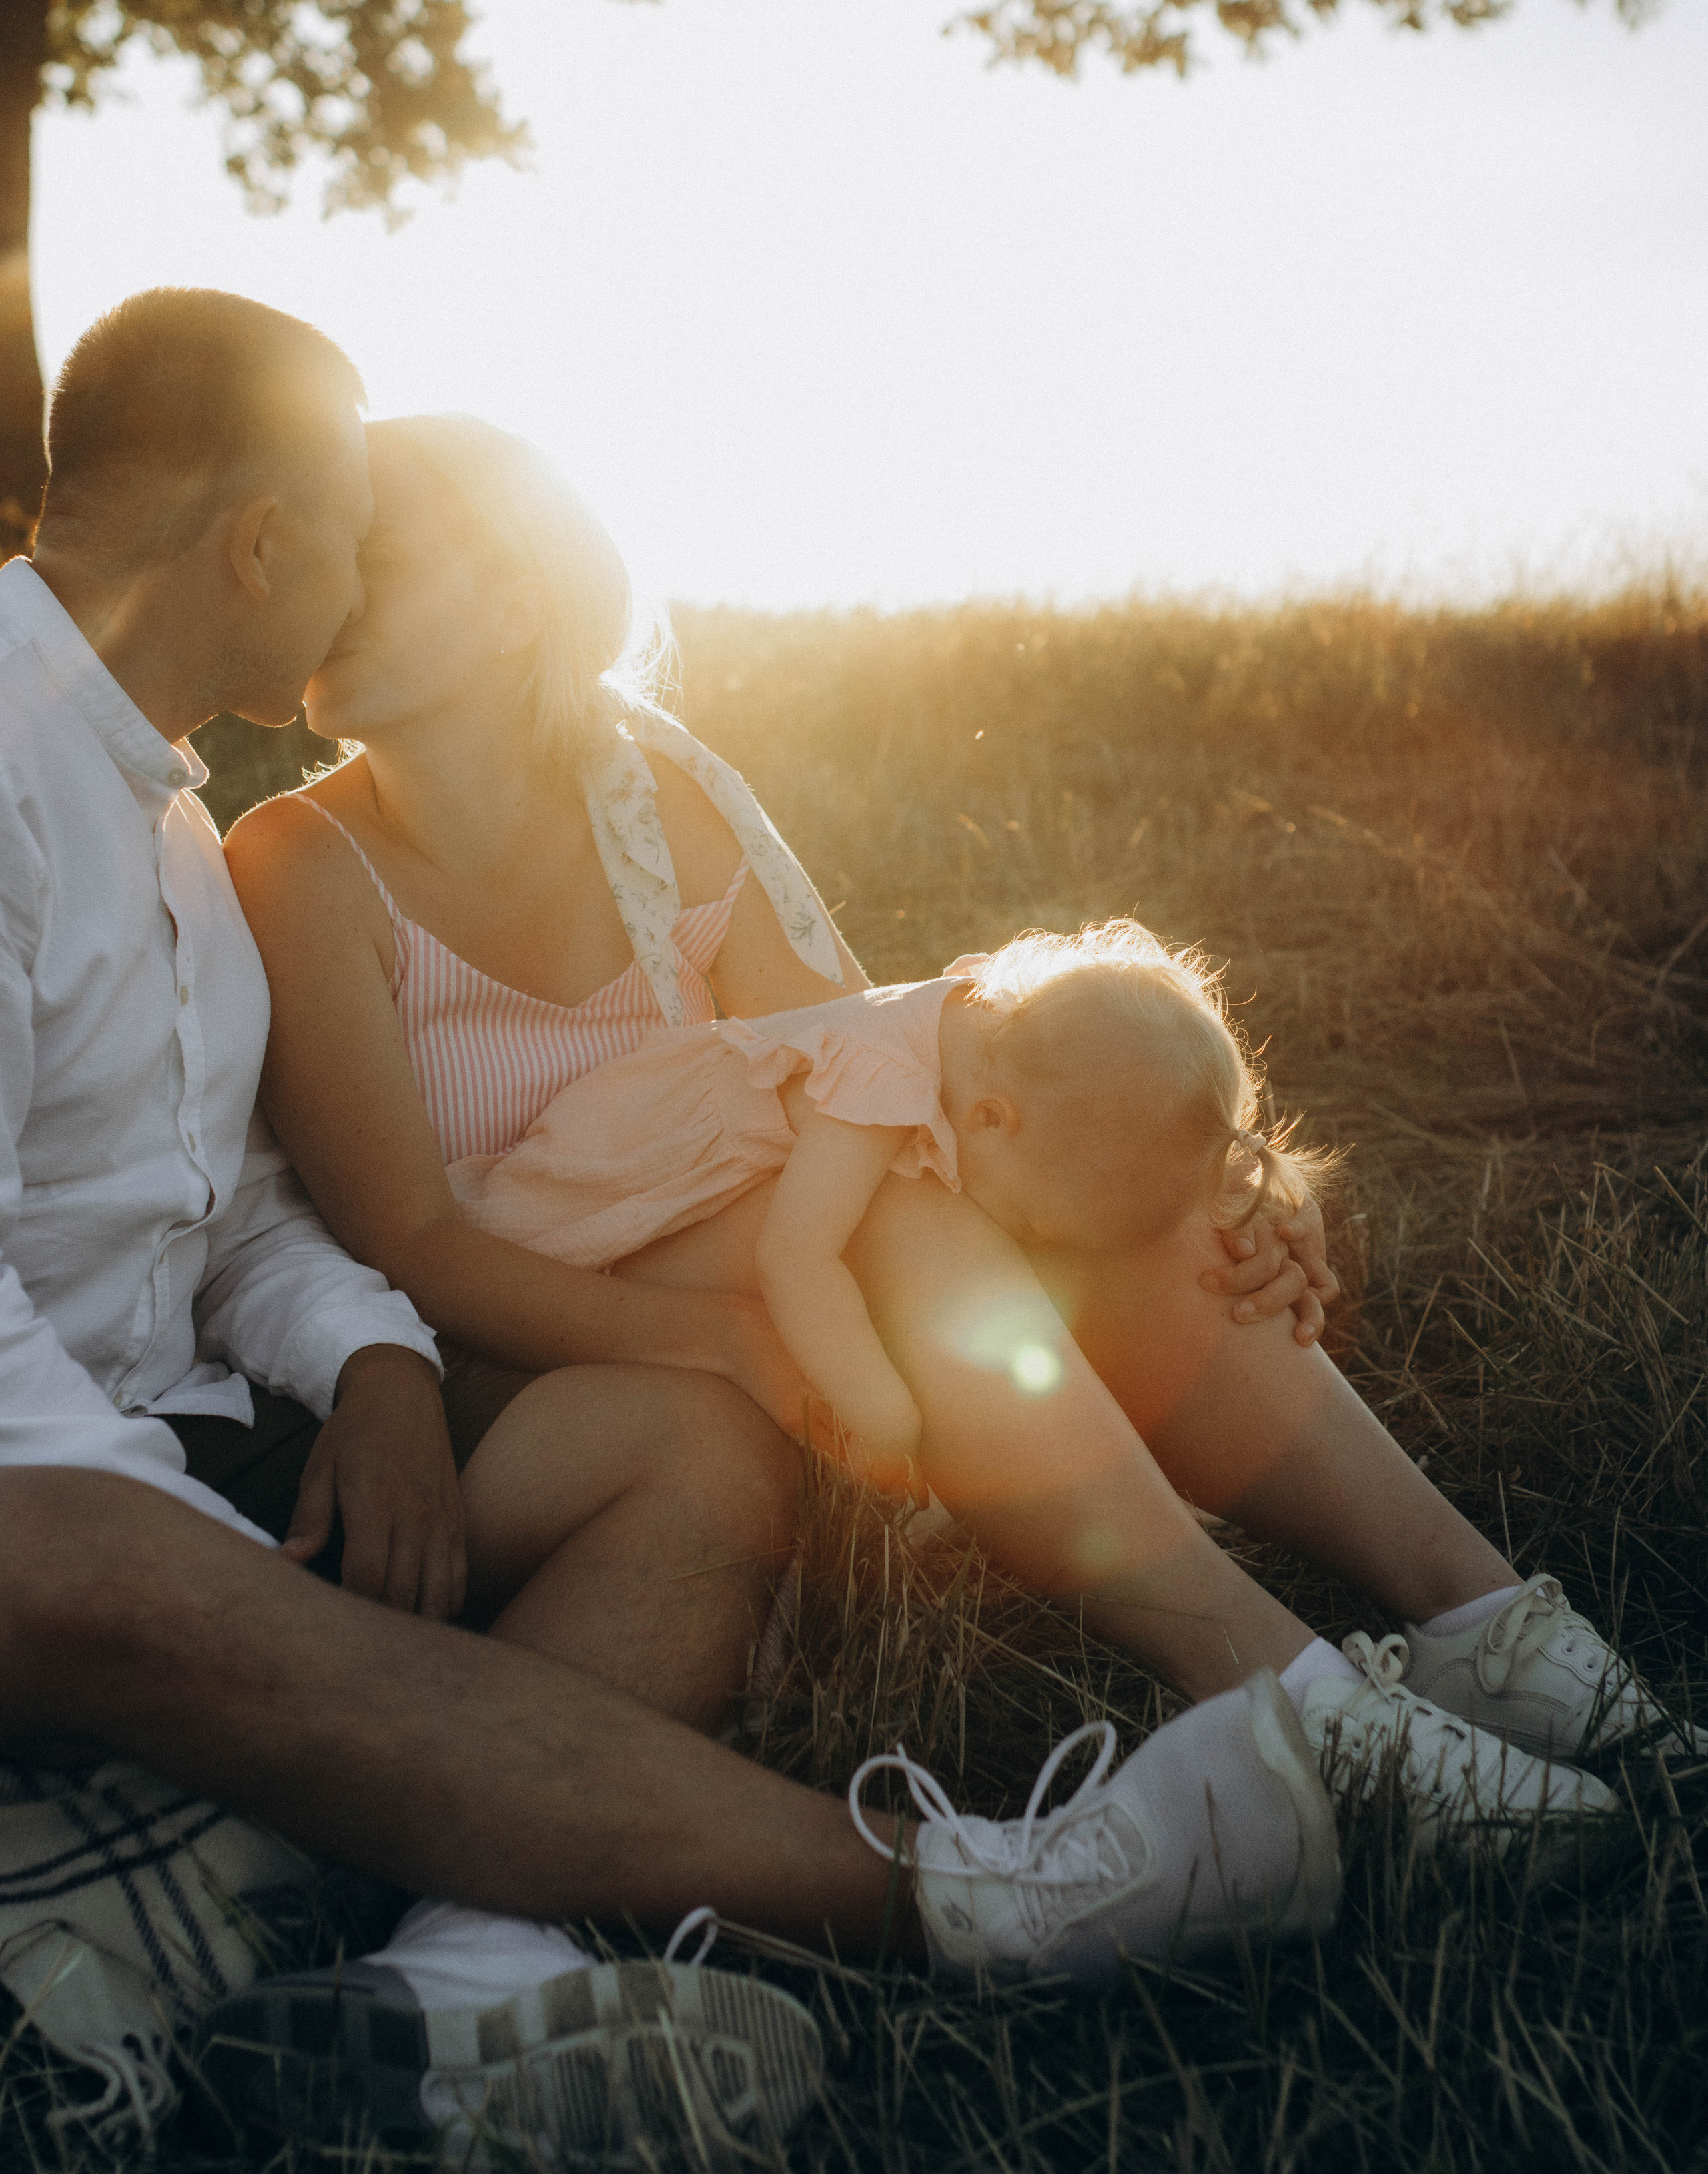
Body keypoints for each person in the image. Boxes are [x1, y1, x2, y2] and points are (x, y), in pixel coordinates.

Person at [0, 289, 1347, 2170]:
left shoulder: (169, 835)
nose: (350, 600)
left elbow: (235, 1222)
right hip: (59, 1485)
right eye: (352, 545)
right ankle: (996, 1895)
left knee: (696, 1450)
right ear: (264, 542)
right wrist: (187, 1530)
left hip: (208, 1428)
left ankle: (462, 1961)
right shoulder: (56, 789)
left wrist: (372, 1359)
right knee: (94, 1557)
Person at [224, 410, 1674, 1855]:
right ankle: (1279, 1693)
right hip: (516, 1357)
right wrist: (723, 1342)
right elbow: (409, 1241)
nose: (321, 583)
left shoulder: (649, 790)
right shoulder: (299, 865)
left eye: (377, 550)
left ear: (510, 591)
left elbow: (851, 1062)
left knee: (1115, 1197)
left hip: (773, 1283)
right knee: (904, 1218)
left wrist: (1208, 1180)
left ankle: (1477, 1621)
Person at [444, 920, 1332, 1494]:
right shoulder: (883, 1081)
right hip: (570, 1234)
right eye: (1028, 1222)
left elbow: (1134, 1023)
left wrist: (1244, 1192)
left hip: (662, 1211)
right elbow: (796, 1260)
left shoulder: (998, 1037)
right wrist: (892, 1426)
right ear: (992, 1119)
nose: (1019, 1238)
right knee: (886, 1235)